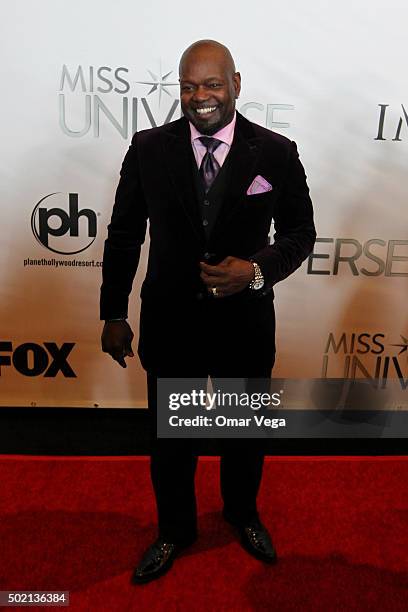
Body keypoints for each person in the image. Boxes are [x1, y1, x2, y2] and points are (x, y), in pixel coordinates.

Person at [100, 39, 316, 584]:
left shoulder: (275, 152)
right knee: (172, 441)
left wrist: (257, 270)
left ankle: (243, 515)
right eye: (189, 86)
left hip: (245, 326)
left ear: (236, 83)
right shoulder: (149, 148)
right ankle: (175, 530)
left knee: (245, 437)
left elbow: (300, 234)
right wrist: (113, 312)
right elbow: (125, 234)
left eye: (212, 84)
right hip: (173, 326)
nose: (201, 97)